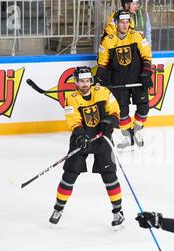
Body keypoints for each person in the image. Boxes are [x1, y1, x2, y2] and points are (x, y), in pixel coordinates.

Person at [49, 66, 125, 230]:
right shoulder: (72, 99)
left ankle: (118, 212)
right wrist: (81, 135)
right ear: (76, 82)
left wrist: (109, 121)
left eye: (88, 80)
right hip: (81, 140)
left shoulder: (103, 92)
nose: (85, 84)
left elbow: (115, 111)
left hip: (102, 138)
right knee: (69, 175)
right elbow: (74, 120)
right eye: (82, 81)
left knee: (109, 175)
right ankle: (58, 209)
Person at [97, 10, 153, 151]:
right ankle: (128, 137)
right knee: (122, 112)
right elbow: (103, 65)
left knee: (144, 108)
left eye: (127, 21)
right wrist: (99, 80)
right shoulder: (107, 41)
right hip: (118, 82)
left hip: (137, 79)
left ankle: (138, 131)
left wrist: (146, 72)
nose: (125, 25)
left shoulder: (137, 36)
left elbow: (146, 55)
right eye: (122, 22)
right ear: (116, 23)